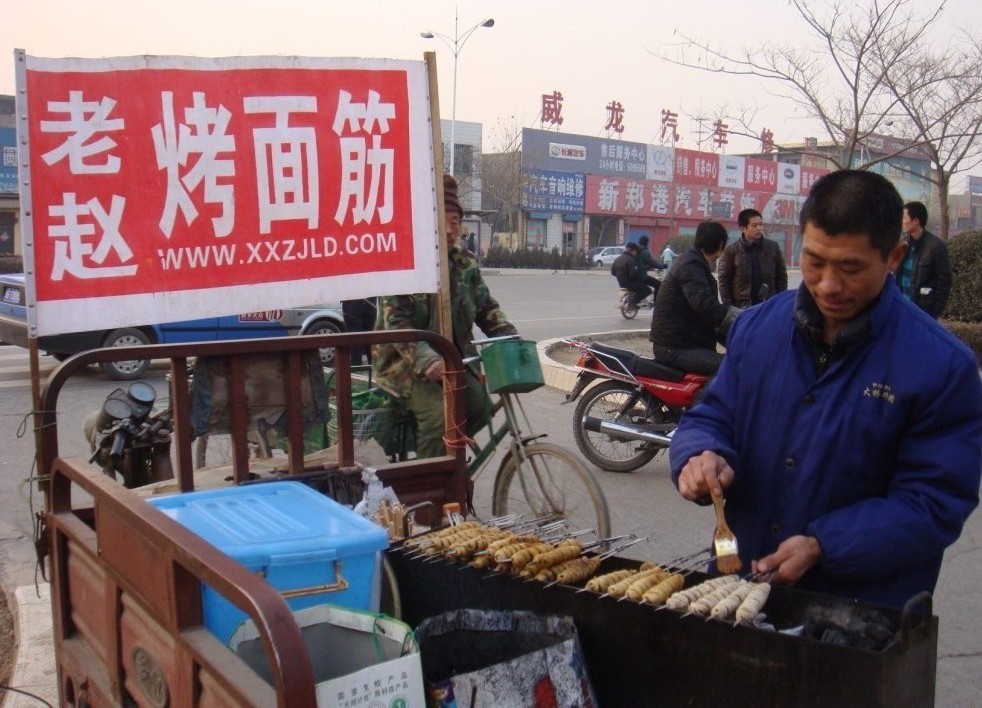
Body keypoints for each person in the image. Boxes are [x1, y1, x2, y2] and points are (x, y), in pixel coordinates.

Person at [669, 170, 982, 609]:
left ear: (894, 256)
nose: (829, 285)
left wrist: (823, 545)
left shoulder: (941, 366)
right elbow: (713, 414)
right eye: (815, 262)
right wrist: (699, 453)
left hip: (856, 616)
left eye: (851, 268)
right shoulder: (759, 329)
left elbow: (934, 502)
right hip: (734, 590)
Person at [372, 174, 517, 459]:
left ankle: (450, 461)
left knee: (479, 407)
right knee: (441, 416)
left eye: (456, 222)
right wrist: (428, 361)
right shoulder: (405, 262)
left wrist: (509, 336)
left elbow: (486, 308)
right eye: (444, 221)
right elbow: (397, 324)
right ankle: (432, 487)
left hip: (454, 359)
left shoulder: (466, 263)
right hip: (407, 364)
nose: (452, 230)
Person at [648, 221, 738, 375]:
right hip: (674, 346)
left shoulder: (694, 262)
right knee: (728, 367)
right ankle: (706, 400)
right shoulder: (691, 265)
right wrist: (741, 316)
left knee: (733, 359)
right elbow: (706, 306)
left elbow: (708, 314)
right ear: (721, 245)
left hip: (684, 341)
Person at [717, 208, 788, 307]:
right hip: (742, 307)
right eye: (754, 225)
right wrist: (729, 307)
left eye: (760, 224)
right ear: (743, 228)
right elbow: (723, 281)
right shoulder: (731, 251)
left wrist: (780, 301)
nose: (759, 228)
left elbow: (782, 277)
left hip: (768, 305)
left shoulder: (773, 247)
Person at [897, 201, 952, 318]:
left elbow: (944, 281)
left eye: (903, 218)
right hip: (901, 307)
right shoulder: (902, 242)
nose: (901, 221)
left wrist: (934, 312)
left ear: (916, 221)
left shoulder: (936, 246)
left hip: (922, 310)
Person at [610, 242, 651, 307]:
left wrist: (620, 276)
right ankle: (633, 301)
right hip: (630, 283)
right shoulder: (631, 260)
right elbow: (633, 274)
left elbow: (612, 272)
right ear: (633, 251)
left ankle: (632, 299)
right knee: (647, 290)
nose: (636, 253)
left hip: (621, 283)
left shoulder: (618, 258)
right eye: (635, 251)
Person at [341, 297, 378, 365]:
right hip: (370, 301)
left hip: (351, 301)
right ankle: (372, 367)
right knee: (370, 337)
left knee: (355, 339)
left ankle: (357, 368)